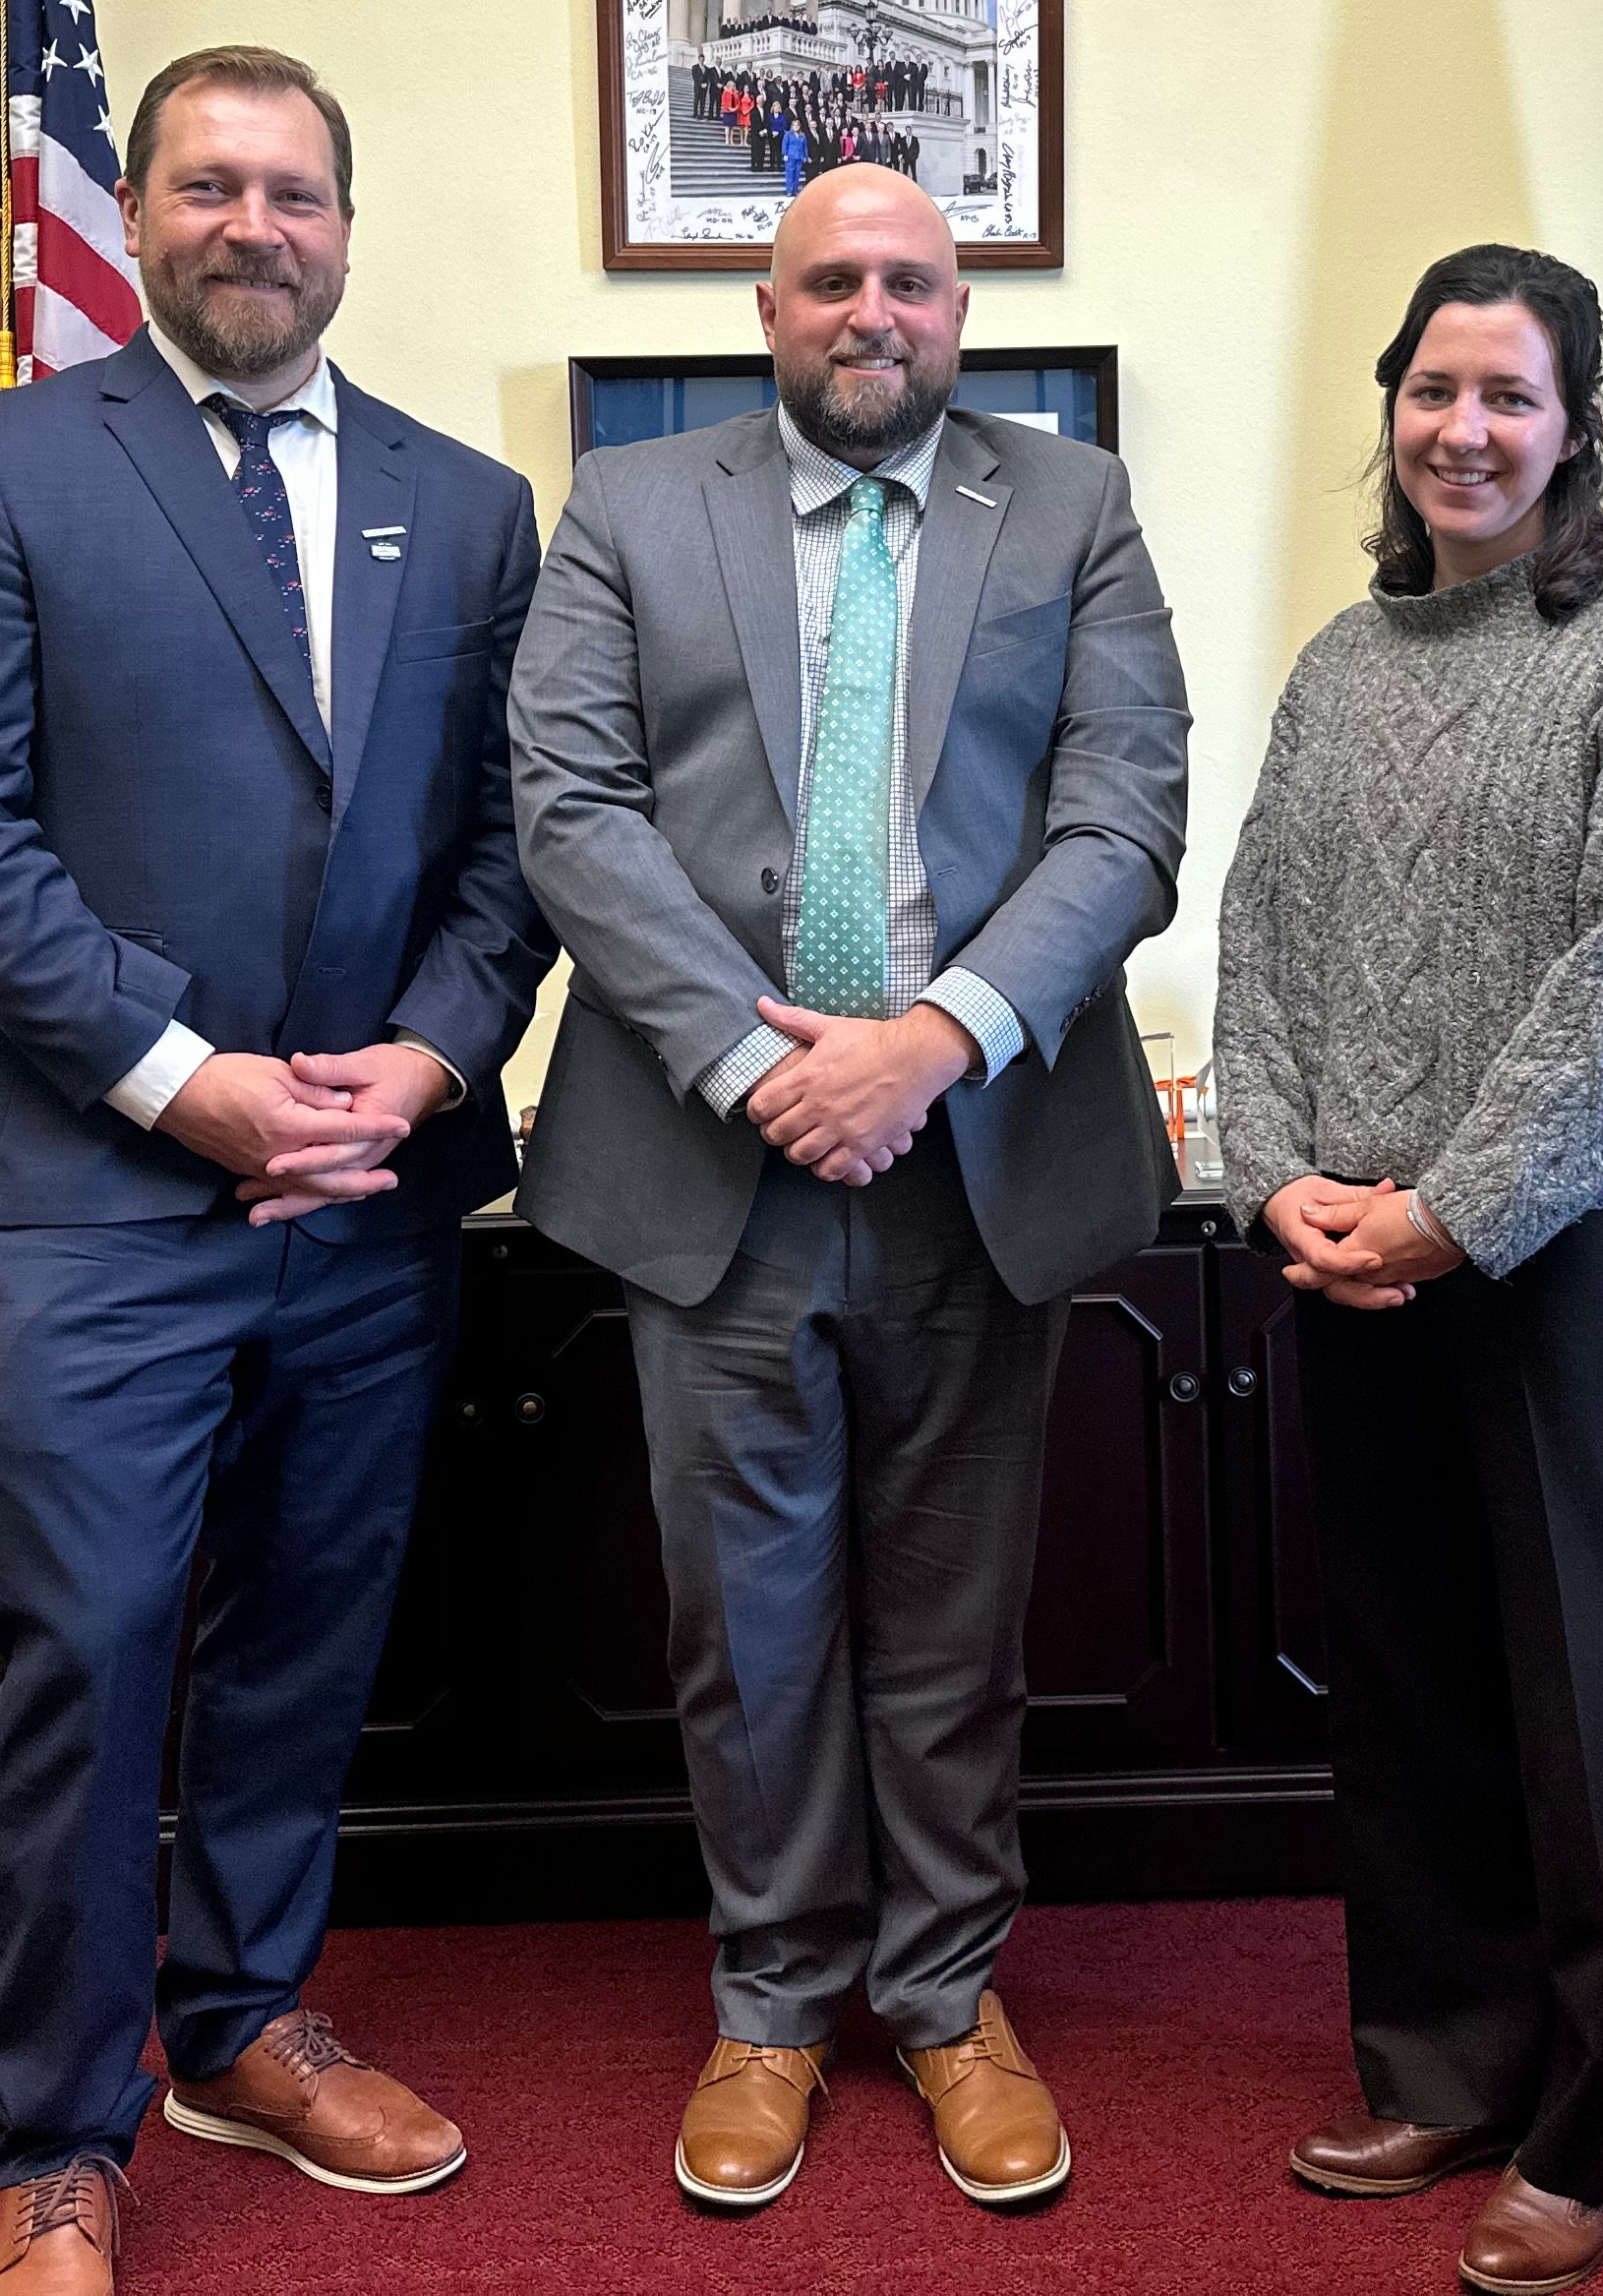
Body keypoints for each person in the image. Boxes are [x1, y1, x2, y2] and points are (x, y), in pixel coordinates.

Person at [0, 44, 553, 2296]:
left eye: (295, 192)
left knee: (307, 1637)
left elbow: (510, 853)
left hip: (368, 1199)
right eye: (210, 186)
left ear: (348, 226)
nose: (256, 225)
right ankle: (59, 2139)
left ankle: (240, 2023)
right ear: (138, 215)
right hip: (100, 1198)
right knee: (94, 1652)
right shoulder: (0, 466)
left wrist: (419, 1070)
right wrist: (188, 1082)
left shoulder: (468, 509)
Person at [509, 165, 1189, 2221]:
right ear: (768, 306)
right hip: (710, 1158)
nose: (869, 310)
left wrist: (935, 1039)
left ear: (959, 306)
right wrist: (764, 1064)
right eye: (829, 280)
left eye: (909, 278)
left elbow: (1126, 813)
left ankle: (949, 1990)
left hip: (977, 1150)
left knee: (955, 1616)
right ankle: (776, 1998)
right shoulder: (632, 506)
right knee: (746, 1619)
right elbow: (570, 805)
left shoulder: (1070, 505)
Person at [1212, 243, 1603, 2296]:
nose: (1463, 430)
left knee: (1590, 1695)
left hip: (1559, 1252)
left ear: (1571, 423)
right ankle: (1447, 2059)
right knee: (1415, 1683)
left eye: (1507, 396)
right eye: (1433, 390)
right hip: (1356, 1250)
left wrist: (1455, 1203)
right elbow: (1259, 932)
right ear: (1393, 408)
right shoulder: (1345, 661)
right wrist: (1278, 1180)